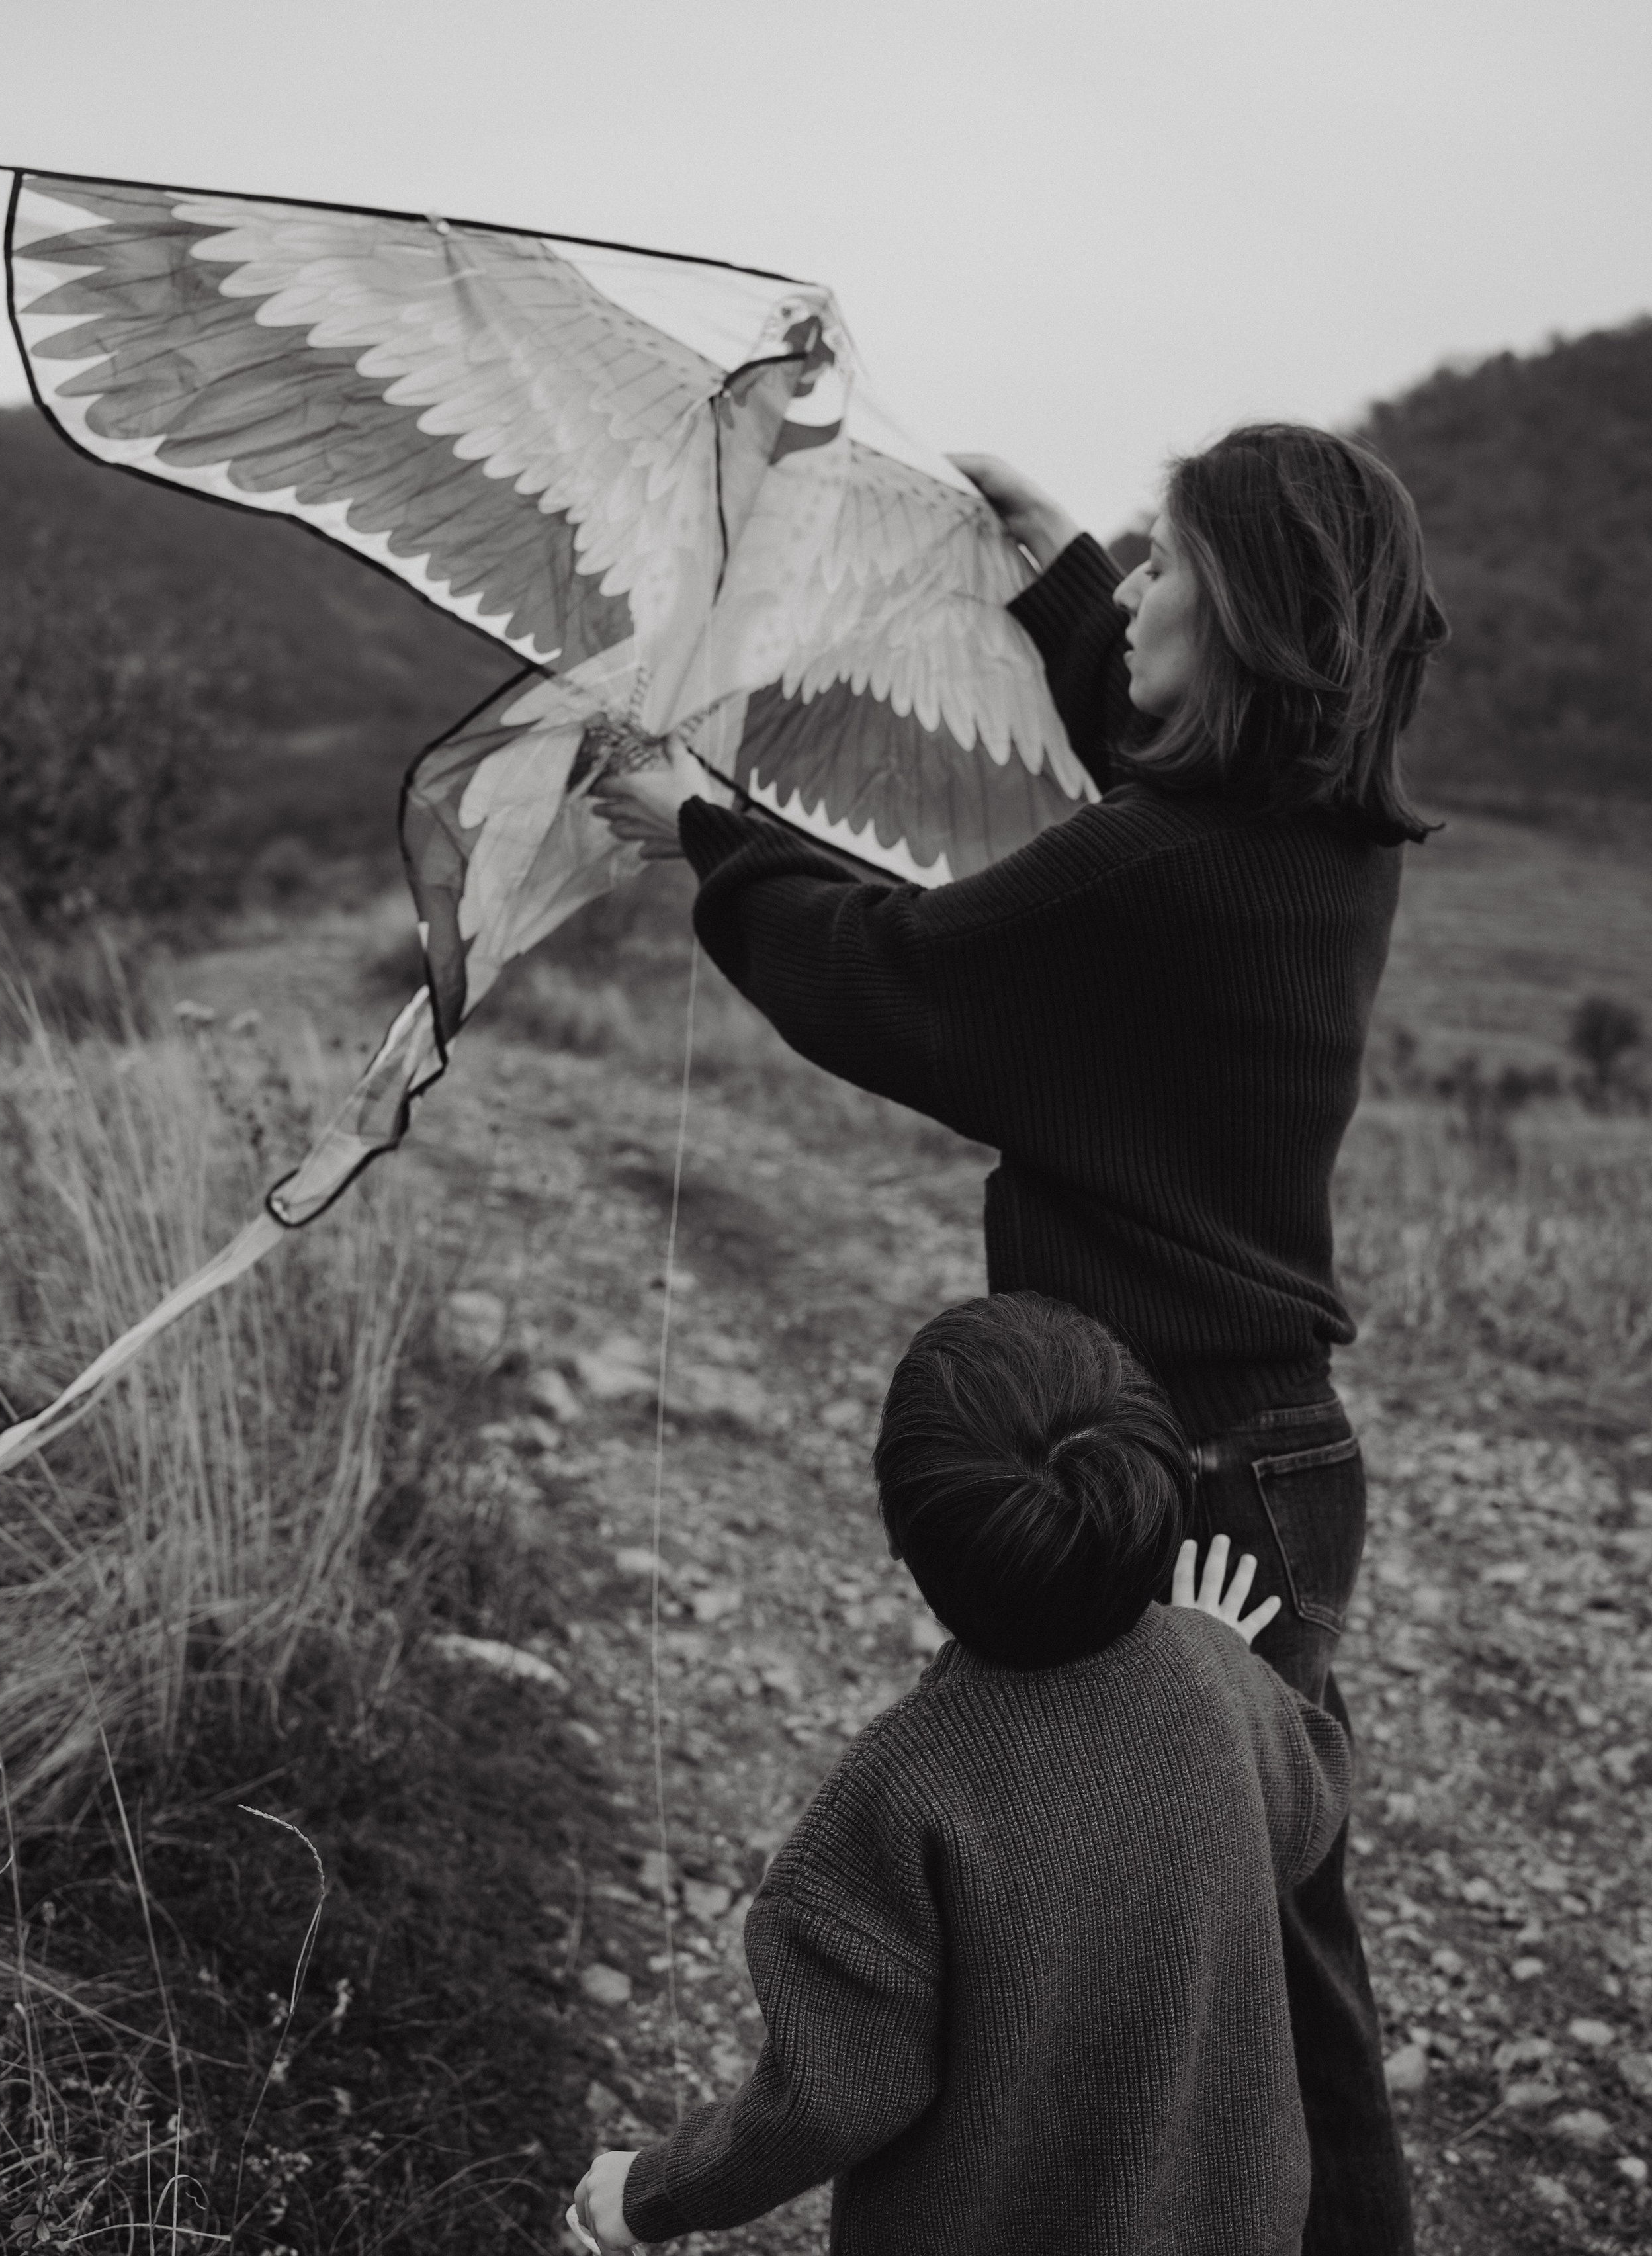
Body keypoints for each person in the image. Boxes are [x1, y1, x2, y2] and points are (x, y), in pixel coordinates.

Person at [598, 425, 1446, 2255]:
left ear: (1251, 624)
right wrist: (1063, 574)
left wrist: (700, 836)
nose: (1134, 591)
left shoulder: (1163, 863)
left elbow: (900, 980)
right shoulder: (1318, 832)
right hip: (1266, 1445)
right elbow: (1170, 756)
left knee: (1180, 1929)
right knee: (1276, 1923)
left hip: (1179, 1463)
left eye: (1165, 572)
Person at [571, 1294, 1351, 2255]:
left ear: (904, 1544)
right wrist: (1229, 1663)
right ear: (1160, 1502)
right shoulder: (1216, 1675)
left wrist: (649, 2189)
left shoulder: (902, 1788)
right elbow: (1305, 1821)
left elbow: (822, 2100)